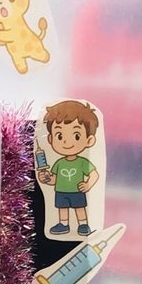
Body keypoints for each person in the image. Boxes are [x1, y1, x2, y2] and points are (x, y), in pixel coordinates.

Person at [38, 100, 100, 237]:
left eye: (76, 136)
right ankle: (63, 224)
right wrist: (46, 178)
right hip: (61, 191)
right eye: (59, 136)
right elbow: (55, 179)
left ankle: (83, 225)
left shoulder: (82, 162)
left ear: (89, 140)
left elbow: (94, 174)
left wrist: (87, 185)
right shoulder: (59, 163)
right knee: (62, 208)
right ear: (50, 139)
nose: (67, 142)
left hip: (77, 190)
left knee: (80, 208)